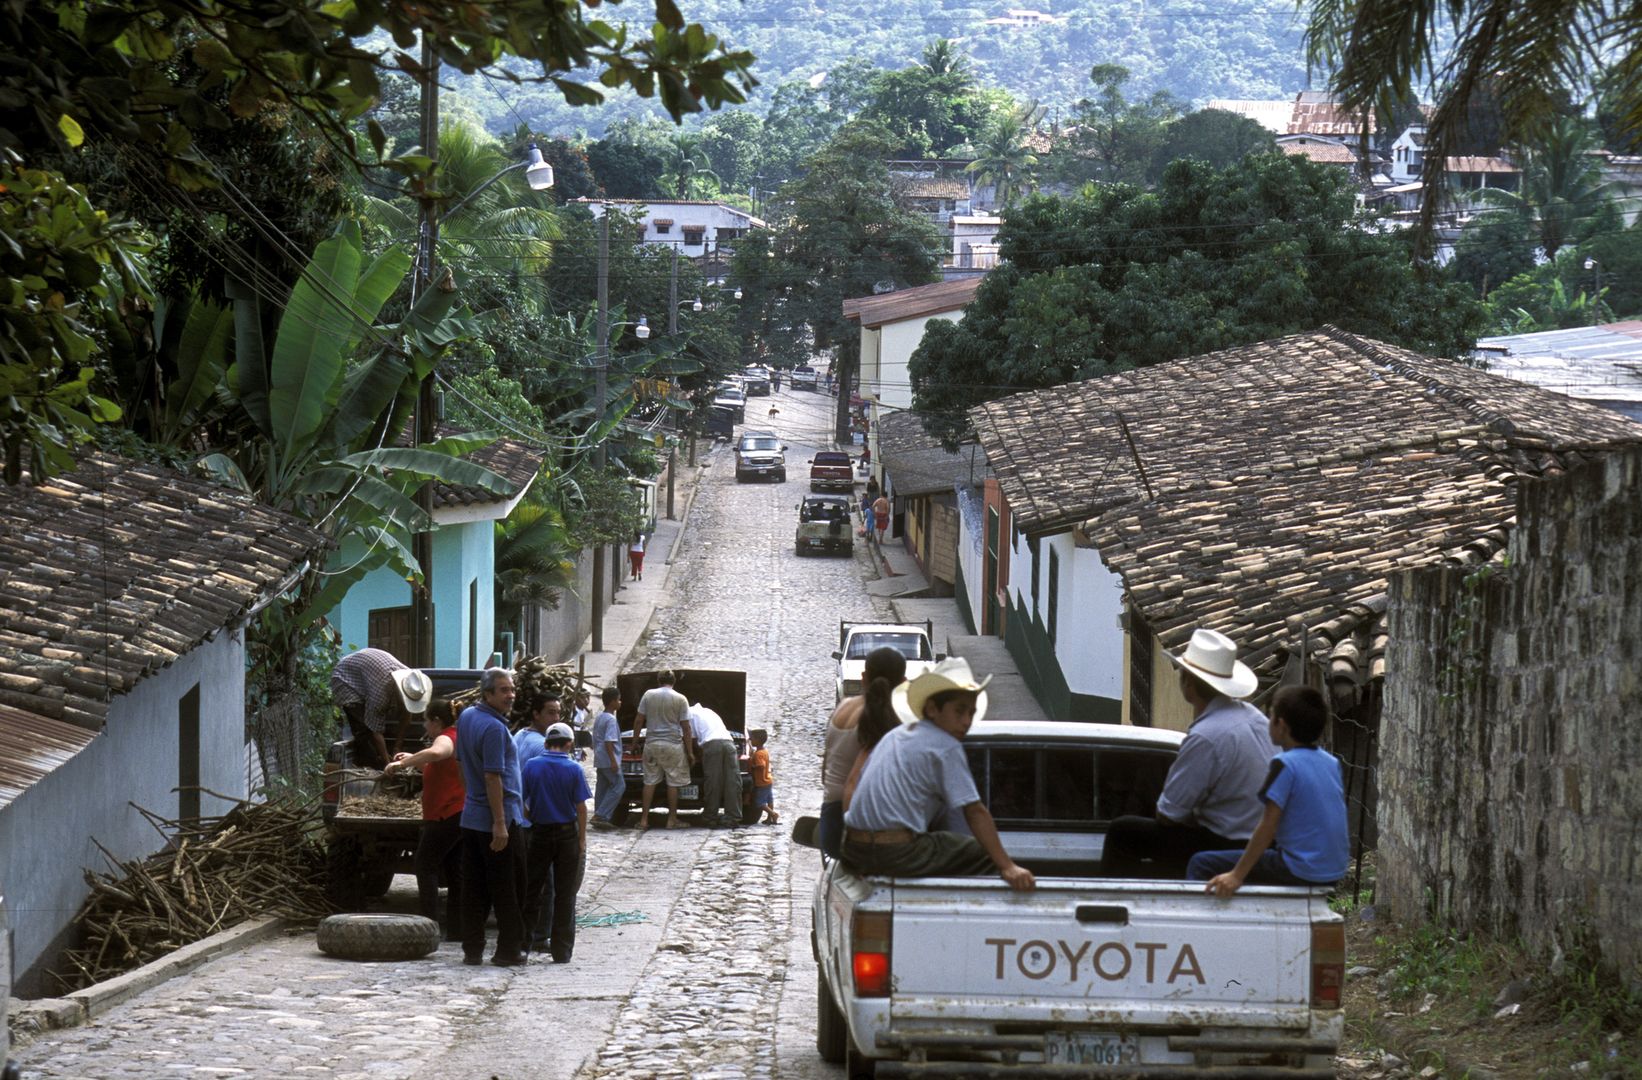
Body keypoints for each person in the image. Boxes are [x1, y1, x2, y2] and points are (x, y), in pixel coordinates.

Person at [841, 659, 1035, 891]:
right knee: (983, 853)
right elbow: (975, 812)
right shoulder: (946, 745)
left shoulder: (895, 736)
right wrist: (1008, 866)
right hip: (896, 853)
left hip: (852, 851)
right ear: (932, 709)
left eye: (971, 713)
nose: (966, 722)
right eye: (959, 711)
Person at [1099, 628, 1276, 880]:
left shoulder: (1206, 736)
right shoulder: (1255, 718)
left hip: (1226, 843)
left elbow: (1168, 816)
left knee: (1122, 832)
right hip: (1264, 841)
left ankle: (1113, 904)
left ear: (1188, 683)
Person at [1190, 686, 1350, 895]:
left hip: (1300, 869)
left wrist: (1236, 875)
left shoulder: (1285, 764)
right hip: (1334, 870)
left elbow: (1268, 825)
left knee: (1201, 862)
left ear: (1280, 725)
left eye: (1271, 715)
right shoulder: (1331, 762)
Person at [455, 667, 528, 966]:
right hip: (498, 820)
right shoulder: (494, 729)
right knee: (510, 887)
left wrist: (471, 798)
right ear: (488, 694)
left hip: (471, 817)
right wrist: (499, 823)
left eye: (512, 689)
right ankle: (508, 951)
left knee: (474, 888)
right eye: (503, 690)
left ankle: (472, 949)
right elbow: (493, 777)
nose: (510, 695)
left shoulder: (467, 717)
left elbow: (460, 763)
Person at [384, 700, 463, 940]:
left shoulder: (446, 737)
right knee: (454, 869)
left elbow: (439, 752)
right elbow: (437, 764)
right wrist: (415, 759)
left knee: (425, 864)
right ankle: (458, 928)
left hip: (445, 813)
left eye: (426, 722)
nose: (425, 727)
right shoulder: (455, 734)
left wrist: (402, 763)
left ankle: (429, 924)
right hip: (456, 812)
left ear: (436, 721)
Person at [820, 647, 908, 858]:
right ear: (904, 682)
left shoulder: (843, 706)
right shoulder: (886, 717)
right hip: (860, 821)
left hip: (830, 814)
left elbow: (824, 772)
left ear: (863, 677)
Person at [520, 722, 592, 961]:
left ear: (546, 742)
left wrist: (533, 819)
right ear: (569, 743)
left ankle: (523, 944)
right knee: (565, 893)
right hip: (566, 835)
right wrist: (581, 839)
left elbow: (524, 803)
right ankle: (562, 951)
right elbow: (581, 808)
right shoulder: (573, 769)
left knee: (532, 891)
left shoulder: (531, 766)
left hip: (539, 833)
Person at [330, 648, 431, 769]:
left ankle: (379, 759)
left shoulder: (411, 679)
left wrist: (397, 747)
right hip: (347, 677)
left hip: (369, 672)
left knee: (372, 728)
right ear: (399, 692)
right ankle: (370, 767)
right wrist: (387, 763)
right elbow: (375, 731)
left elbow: (406, 717)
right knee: (363, 730)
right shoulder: (382, 692)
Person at [634, 670, 695, 830]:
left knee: (649, 781)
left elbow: (639, 720)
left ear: (658, 680)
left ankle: (644, 820)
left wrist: (634, 743)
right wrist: (689, 752)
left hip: (652, 744)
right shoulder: (681, 698)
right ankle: (672, 819)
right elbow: (686, 728)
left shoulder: (648, 695)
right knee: (672, 782)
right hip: (673, 746)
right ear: (674, 681)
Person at [689, 702, 740, 827]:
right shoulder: (709, 711)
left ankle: (710, 816)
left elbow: (691, 739)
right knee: (732, 781)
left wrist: (694, 755)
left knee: (713, 781)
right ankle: (733, 817)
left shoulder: (688, 714)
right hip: (729, 743)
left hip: (712, 745)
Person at [591, 686, 625, 830]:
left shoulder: (599, 717)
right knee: (619, 786)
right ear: (612, 702)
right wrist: (613, 761)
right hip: (608, 759)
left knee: (602, 787)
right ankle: (601, 814)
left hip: (599, 758)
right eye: (618, 700)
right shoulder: (611, 720)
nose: (620, 702)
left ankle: (598, 814)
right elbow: (609, 741)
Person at [748, 728, 778, 824]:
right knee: (770, 799)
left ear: (757, 740)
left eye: (751, 739)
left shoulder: (758, 754)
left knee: (759, 803)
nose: (750, 740)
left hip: (761, 782)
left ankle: (773, 814)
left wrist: (753, 766)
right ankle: (769, 819)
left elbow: (761, 765)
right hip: (768, 780)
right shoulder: (764, 751)